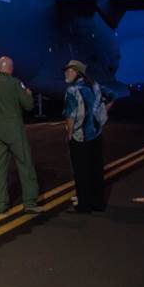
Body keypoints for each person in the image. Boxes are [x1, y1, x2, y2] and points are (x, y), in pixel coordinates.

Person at [0, 57, 41, 214]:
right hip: (14, 129)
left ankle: (1, 204)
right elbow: (28, 105)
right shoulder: (15, 84)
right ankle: (29, 201)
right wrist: (28, 94)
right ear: (10, 68)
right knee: (25, 164)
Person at [63, 60, 110, 213]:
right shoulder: (94, 85)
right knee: (96, 170)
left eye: (69, 71)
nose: (66, 73)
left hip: (80, 137)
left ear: (77, 72)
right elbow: (112, 95)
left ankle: (84, 205)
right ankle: (98, 203)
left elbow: (70, 115)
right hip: (96, 134)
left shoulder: (72, 90)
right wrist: (100, 115)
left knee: (81, 172)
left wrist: (69, 134)